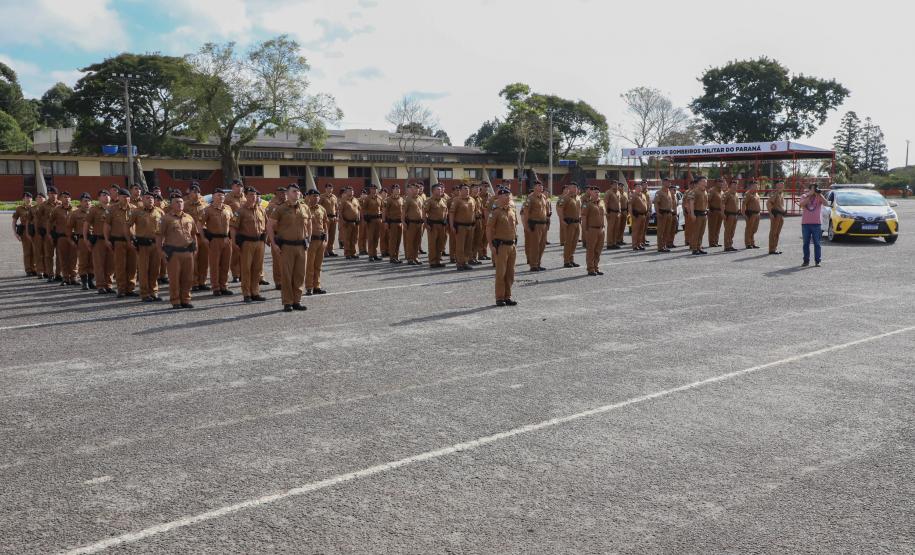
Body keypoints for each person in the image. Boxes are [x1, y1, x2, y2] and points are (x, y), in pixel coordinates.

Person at [268, 183, 311, 312]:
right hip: (286, 246)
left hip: (301, 246)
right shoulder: (280, 209)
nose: (297, 193)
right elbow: (269, 225)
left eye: (298, 191)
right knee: (287, 276)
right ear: (287, 193)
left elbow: (309, 223)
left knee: (299, 275)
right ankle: (287, 302)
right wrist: (274, 244)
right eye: (293, 191)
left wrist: (308, 239)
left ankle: (297, 301)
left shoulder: (304, 207)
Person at [158, 193, 198, 309]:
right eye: (176, 202)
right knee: (174, 278)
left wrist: (195, 248)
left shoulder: (189, 217)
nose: (179, 204)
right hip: (173, 253)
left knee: (188, 278)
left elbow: (194, 234)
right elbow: (159, 236)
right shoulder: (165, 218)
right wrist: (160, 251)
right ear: (171, 204)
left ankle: (185, 299)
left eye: (181, 202)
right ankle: (175, 301)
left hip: (188, 252)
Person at [231, 186, 268, 302]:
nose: (254, 197)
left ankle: (255, 292)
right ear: (246, 196)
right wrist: (233, 242)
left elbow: (267, 225)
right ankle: (246, 293)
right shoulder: (240, 211)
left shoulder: (261, 209)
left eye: (255, 195)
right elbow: (233, 227)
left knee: (257, 268)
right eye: (251, 195)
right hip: (246, 242)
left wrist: (266, 238)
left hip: (259, 242)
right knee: (246, 269)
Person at [128, 191, 164, 301]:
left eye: (152, 198)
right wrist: (131, 238)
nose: (150, 199)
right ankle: (144, 293)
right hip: (143, 245)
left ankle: (153, 292)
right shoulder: (136, 212)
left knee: (155, 269)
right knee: (144, 269)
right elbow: (128, 225)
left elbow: (164, 228)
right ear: (142, 199)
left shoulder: (160, 212)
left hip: (156, 244)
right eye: (147, 198)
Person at [486, 187, 518, 307]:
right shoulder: (495, 212)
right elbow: (489, 229)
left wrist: (515, 239)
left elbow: (515, 226)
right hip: (501, 246)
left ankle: (507, 296)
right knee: (501, 273)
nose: (508, 197)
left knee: (510, 273)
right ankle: (500, 297)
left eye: (509, 195)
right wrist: (491, 246)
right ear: (499, 197)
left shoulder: (511, 210)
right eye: (505, 195)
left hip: (512, 245)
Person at [105, 188, 138, 297]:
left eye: (128, 197)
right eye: (124, 196)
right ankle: (121, 289)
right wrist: (107, 239)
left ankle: (130, 288)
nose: (126, 199)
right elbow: (107, 225)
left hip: (132, 242)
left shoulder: (134, 209)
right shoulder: (112, 209)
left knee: (132, 266)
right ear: (118, 197)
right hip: (118, 241)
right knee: (120, 266)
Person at [202, 188, 235, 296]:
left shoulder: (228, 208)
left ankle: (224, 286)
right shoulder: (207, 209)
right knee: (215, 264)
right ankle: (216, 287)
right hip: (214, 240)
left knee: (226, 264)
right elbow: (199, 224)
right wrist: (204, 238)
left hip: (226, 239)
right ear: (213, 196)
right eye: (218, 195)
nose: (221, 197)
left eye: (222, 195)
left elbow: (233, 223)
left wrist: (232, 238)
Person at [86, 190, 114, 293]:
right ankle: (101, 285)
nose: (106, 197)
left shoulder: (114, 208)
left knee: (111, 264)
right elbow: (87, 224)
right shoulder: (94, 209)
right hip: (99, 240)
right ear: (98, 198)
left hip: (111, 240)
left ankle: (109, 285)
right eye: (103, 195)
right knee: (99, 264)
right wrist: (86, 239)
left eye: (107, 195)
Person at [184, 182, 210, 291]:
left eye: (198, 191)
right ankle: (193, 282)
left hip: (203, 234)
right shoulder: (184, 205)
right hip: (190, 235)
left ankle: (202, 282)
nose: (196, 193)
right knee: (192, 259)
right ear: (189, 192)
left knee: (204, 259)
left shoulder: (205, 205)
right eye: (193, 191)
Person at [521, 180, 549, 271]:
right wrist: (527, 225)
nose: (541, 187)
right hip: (535, 224)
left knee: (542, 245)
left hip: (543, 224)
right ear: (534, 187)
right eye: (538, 185)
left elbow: (546, 211)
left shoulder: (544, 197)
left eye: (541, 186)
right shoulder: (530, 198)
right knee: (535, 245)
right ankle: (533, 265)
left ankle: (538, 263)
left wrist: (547, 221)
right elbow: (526, 212)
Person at [50, 191, 78, 285]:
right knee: (63, 257)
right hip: (61, 237)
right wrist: (50, 234)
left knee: (74, 258)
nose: (66, 199)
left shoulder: (75, 209)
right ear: (60, 199)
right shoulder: (56, 210)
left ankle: (73, 277)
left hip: (73, 237)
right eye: (64, 197)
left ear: (71, 198)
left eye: (68, 197)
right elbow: (49, 222)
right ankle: (65, 278)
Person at [305, 189, 328, 295]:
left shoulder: (322, 209)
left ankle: (317, 286)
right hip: (311, 241)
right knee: (310, 265)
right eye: (314, 196)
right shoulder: (304, 208)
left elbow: (325, 224)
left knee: (318, 265)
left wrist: (326, 238)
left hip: (321, 240)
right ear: (308, 197)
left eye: (317, 196)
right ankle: (309, 287)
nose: (316, 198)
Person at [799, 184, 827, 267]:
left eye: (815, 189)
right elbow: (802, 205)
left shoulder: (819, 196)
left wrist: (819, 194)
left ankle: (817, 261)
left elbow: (826, 203)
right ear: (809, 189)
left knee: (817, 243)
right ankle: (806, 261)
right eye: (812, 189)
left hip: (817, 224)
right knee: (805, 243)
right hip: (805, 224)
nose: (814, 190)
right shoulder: (804, 196)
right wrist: (809, 195)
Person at [450, 184, 477, 271]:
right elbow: (451, 213)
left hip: (470, 226)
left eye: (468, 189)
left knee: (468, 246)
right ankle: (459, 263)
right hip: (460, 226)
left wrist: (474, 223)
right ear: (460, 190)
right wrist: (452, 225)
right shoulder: (456, 200)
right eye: (465, 189)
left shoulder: (472, 200)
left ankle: (465, 262)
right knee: (460, 246)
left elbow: (474, 212)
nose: (467, 190)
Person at [69, 193, 93, 290]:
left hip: (93, 239)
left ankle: (91, 281)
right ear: (81, 202)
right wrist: (71, 240)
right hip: (82, 239)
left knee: (92, 261)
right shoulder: (75, 213)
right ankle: (84, 282)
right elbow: (69, 227)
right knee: (83, 261)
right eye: (85, 201)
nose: (87, 203)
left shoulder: (94, 212)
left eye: (89, 201)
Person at [581, 185, 606, 276]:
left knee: (598, 250)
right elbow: (584, 218)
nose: (597, 193)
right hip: (591, 229)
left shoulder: (601, 203)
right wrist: (585, 231)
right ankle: (590, 268)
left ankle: (596, 267)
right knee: (591, 250)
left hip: (601, 229)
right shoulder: (587, 204)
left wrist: (603, 227)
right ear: (590, 193)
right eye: (595, 192)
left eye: (598, 192)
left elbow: (603, 216)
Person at [225, 179, 246, 282]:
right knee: (235, 252)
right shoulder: (228, 198)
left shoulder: (245, 198)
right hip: (233, 228)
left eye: (241, 186)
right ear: (232, 187)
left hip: (244, 228)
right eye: (237, 186)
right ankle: (235, 274)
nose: (239, 188)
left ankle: (243, 273)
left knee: (244, 252)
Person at [265, 187, 287, 289]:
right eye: (281, 193)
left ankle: (286, 280)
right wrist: (269, 237)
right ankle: (278, 282)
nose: (284, 195)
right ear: (277, 194)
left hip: (288, 236)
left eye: (285, 193)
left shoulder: (288, 204)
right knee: (277, 261)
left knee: (287, 260)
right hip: (277, 235)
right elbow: (268, 222)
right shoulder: (272, 206)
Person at [424, 184, 449, 268]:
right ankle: (432, 261)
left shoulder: (444, 200)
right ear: (433, 191)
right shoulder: (429, 201)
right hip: (433, 225)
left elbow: (446, 211)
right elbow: (424, 213)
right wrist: (426, 224)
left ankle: (438, 260)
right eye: (438, 189)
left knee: (440, 244)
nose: (441, 191)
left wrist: (445, 220)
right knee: (433, 244)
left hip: (442, 225)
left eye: (441, 189)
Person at [39, 186, 61, 282]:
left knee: (59, 254)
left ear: (57, 194)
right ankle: (50, 274)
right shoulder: (43, 205)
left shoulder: (61, 204)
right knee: (48, 255)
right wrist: (39, 231)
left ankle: (58, 274)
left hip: (59, 232)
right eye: (50, 193)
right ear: (48, 194)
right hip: (48, 232)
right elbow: (38, 218)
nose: (52, 195)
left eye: (54, 193)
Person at [12, 192, 35, 276]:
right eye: (26, 197)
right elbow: (14, 221)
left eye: (29, 197)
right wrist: (15, 233)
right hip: (25, 232)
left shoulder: (36, 208)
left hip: (34, 232)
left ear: (32, 199)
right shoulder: (19, 209)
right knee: (27, 251)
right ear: (23, 199)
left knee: (35, 251)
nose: (28, 199)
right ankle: (28, 270)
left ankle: (34, 269)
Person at [559, 183, 582, 267]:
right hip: (569, 223)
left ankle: (571, 259)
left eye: (576, 187)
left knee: (575, 242)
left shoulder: (578, 198)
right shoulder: (565, 198)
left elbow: (579, 210)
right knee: (568, 242)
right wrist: (562, 220)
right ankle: (566, 261)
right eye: (573, 187)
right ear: (569, 188)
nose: (575, 188)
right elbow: (560, 209)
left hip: (577, 223)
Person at [402, 182, 425, 265]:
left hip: (419, 223)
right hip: (411, 223)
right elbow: (404, 211)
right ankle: (410, 258)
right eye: (414, 188)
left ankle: (416, 257)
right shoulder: (408, 199)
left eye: (417, 188)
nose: (416, 190)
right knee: (410, 241)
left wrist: (423, 220)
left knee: (417, 241)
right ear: (411, 190)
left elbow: (422, 210)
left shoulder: (420, 198)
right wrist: (403, 222)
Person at [383, 183, 404, 263]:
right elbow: (384, 211)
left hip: (400, 223)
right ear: (392, 190)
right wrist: (385, 221)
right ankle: (392, 257)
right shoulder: (388, 200)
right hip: (392, 223)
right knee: (393, 240)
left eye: (398, 188)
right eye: (395, 188)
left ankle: (397, 256)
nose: (397, 190)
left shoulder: (401, 199)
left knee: (398, 240)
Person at [362, 183, 383, 261]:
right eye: (372, 189)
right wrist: (365, 219)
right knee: (371, 238)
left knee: (376, 238)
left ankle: (375, 254)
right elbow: (363, 209)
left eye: (375, 189)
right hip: (370, 220)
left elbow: (382, 208)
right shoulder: (367, 198)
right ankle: (371, 255)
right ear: (370, 190)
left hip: (378, 220)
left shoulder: (380, 198)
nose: (374, 190)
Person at [688, 177, 709, 255]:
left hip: (703, 213)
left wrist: (706, 210)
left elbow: (706, 202)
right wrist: (692, 213)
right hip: (697, 214)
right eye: (704, 181)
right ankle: (694, 248)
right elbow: (691, 203)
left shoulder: (705, 191)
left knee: (701, 232)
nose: (705, 182)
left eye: (706, 181)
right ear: (699, 182)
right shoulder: (694, 191)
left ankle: (699, 247)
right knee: (696, 232)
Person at [338, 186, 361, 259]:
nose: (351, 192)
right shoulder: (343, 200)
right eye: (349, 191)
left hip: (355, 222)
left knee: (354, 238)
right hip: (347, 222)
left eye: (352, 191)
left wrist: (359, 218)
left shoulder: (356, 200)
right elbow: (340, 212)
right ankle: (347, 253)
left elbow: (359, 210)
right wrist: (343, 221)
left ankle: (353, 253)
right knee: (347, 239)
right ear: (346, 192)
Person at [653, 181, 674, 253]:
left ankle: (664, 245)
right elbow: (656, 203)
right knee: (661, 231)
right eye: (667, 182)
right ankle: (660, 247)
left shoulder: (669, 192)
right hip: (662, 213)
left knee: (667, 231)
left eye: (669, 182)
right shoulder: (659, 192)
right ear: (663, 183)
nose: (669, 184)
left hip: (669, 213)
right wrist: (657, 212)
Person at [319, 183, 339, 257]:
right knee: (325, 235)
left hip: (333, 218)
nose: (330, 189)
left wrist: (337, 216)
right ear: (325, 189)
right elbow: (319, 207)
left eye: (331, 188)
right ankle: (325, 251)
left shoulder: (334, 197)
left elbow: (337, 208)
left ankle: (331, 250)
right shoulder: (322, 197)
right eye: (328, 188)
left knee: (332, 236)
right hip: (326, 218)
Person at [768, 180, 787, 255]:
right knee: (773, 232)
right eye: (780, 185)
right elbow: (769, 203)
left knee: (777, 233)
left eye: (782, 185)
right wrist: (770, 213)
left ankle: (774, 248)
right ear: (776, 186)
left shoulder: (781, 194)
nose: (781, 186)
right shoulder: (775, 194)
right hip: (776, 215)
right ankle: (771, 249)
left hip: (781, 215)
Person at [30, 192, 46, 278]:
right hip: (36, 234)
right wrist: (29, 233)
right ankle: (40, 271)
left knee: (47, 253)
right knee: (38, 253)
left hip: (47, 233)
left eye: (41, 197)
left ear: (44, 199)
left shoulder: (49, 207)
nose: (39, 199)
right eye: (37, 197)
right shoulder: (32, 209)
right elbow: (29, 221)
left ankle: (47, 271)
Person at [743, 179, 761, 249]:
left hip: (757, 214)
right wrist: (744, 214)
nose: (756, 187)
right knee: (749, 229)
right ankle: (748, 243)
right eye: (754, 186)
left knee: (754, 229)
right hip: (751, 214)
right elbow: (744, 204)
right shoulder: (748, 194)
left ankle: (752, 242)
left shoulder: (757, 194)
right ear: (750, 186)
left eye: (757, 186)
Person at [722, 180, 740, 252]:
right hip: (728, 215)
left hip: (735, 215)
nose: (735, 186)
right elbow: (723, 204)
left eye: (736, 185)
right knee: (728, 230)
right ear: (730, 186)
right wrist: (723, 213)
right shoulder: (726, 194)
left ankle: (730, 244)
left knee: (732, 231)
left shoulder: (736, 194)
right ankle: (727, 246)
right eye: (733, 185)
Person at [629, 184, 648, 251]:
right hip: (637, 216)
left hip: (643, 215)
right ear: (635, 188)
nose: (640, 188)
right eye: (638, 187)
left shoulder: (643, 195)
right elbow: (630, 206)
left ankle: (639, 244)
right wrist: (632, 215)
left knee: (641, 231)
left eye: (640, 187)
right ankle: (635, 245)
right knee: (636, 231)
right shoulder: (633, 195)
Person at [603, 182, 621, 249]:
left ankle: (614, 243)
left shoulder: (618, 192)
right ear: (611, 185)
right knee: (611, 229)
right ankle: (609, 244)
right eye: (614, 184)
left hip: (617, 213)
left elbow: (619, 203)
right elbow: (606, 203)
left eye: (616, 184)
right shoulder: (608, 192)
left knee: (616, 229)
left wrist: (619, 211)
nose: (616, 185)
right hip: (611, 212)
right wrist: (606, 213)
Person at [707, 178, 724, 247]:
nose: (721, 183)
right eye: (719, 181)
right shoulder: (712, 191)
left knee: (718, 228)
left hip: (720, 211)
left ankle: (716, 241)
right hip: (713, 211)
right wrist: (709, 210)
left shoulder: (721, 192)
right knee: (712, 228)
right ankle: (712, 242)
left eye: (721, 182)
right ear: (715, 183)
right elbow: (708, 200)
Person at [616, 181, 629, 246]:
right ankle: (617, 240)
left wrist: (628, 210)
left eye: (622, 186)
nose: (621, 187)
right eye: (620, 186)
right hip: (620, 211)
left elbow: (627, 202)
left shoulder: (625, 194)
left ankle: (621, 239)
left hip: (625, 211)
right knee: (618, 226)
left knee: (623, 227)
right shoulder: (617, 193)